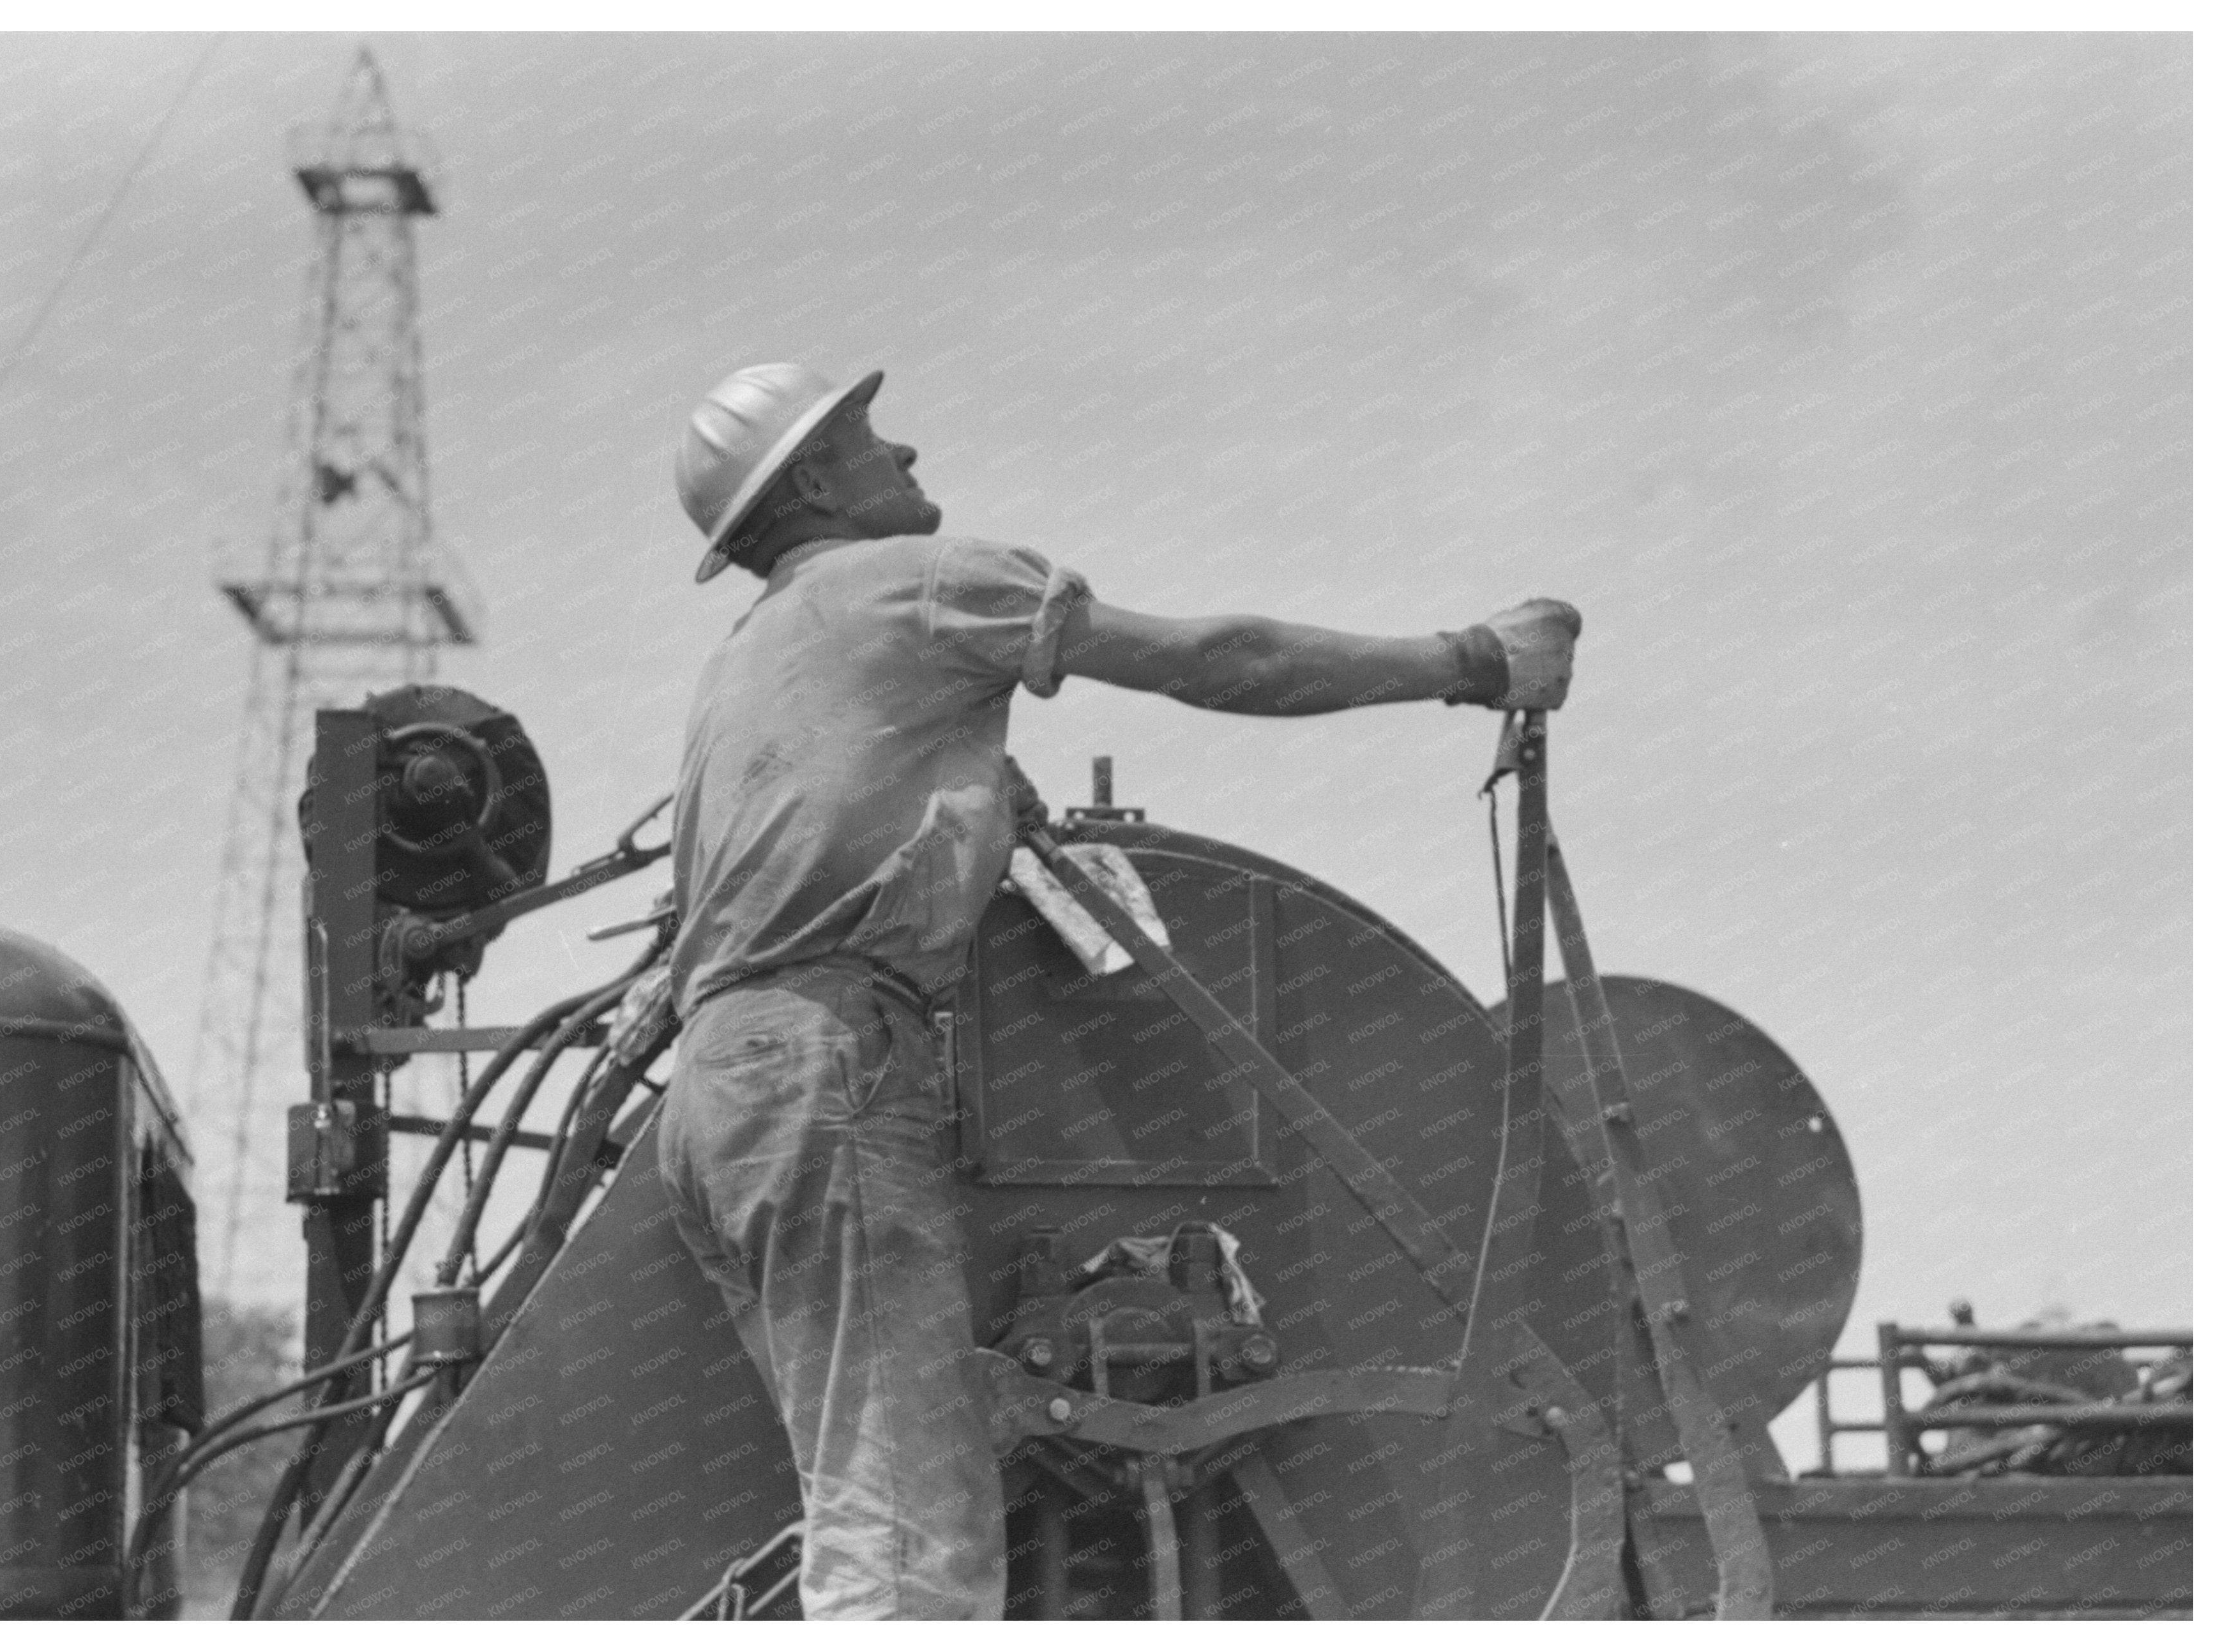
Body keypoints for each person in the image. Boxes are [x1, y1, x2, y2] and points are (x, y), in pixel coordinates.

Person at [656, 361, 1581, 1619]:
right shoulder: (922, 585)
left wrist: (979, 803)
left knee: (861, 1505)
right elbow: (1222, 658)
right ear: (816, 482)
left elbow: (824, 815)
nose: (911, 454)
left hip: (718, 1098)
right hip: (831, 1063)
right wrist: (1469, 660)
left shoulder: (757, 645)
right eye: (876, 443)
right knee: (910, 1542)